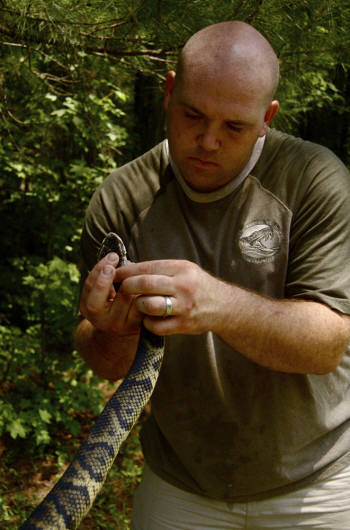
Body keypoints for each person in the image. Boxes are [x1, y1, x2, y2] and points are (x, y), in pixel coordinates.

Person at [75, 20, 350, 529]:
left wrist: (215, 304)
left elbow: (327, 345)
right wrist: (113, 331)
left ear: (267, 119)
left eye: (234, 127)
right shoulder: (121, 198)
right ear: (169, 93)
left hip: (317, 485)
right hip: (181, 485)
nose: (207, 141)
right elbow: (106, 361)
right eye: (192, 115)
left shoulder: (314, 180)